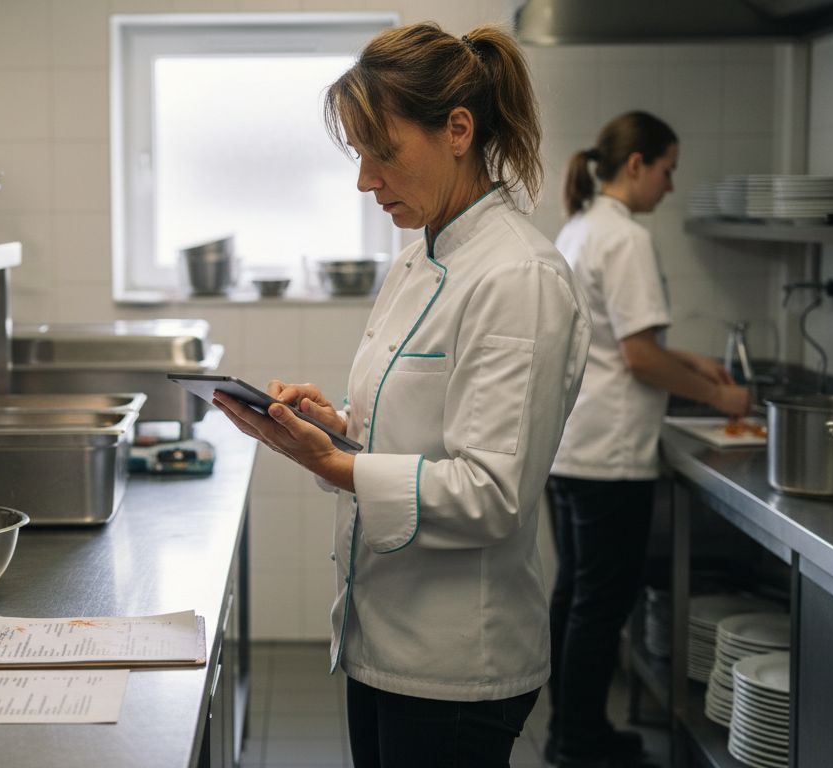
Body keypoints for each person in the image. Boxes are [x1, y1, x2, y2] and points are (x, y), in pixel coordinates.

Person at [213, 22, 592, 768]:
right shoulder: (417, 260)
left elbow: (491, 492)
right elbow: (417, 436)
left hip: (456, 662)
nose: (365, 181)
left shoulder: (519, 278)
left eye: (382, 155)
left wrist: (335, 464)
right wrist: (339, 426)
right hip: (382, 638)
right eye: (359, 157)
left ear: (458, 130)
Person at [544, 111, 751, 768]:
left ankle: (568, 731)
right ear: (637, 165)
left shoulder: (578, 229)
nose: (669, 185)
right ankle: (579, 741)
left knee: (575, 595)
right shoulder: (626, 239)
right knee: (599, 606)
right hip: (608, 455)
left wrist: (687, 361)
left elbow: (614, 342)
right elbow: (635, 358)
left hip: (569, 443)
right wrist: (722, 397)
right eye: (667, 169)